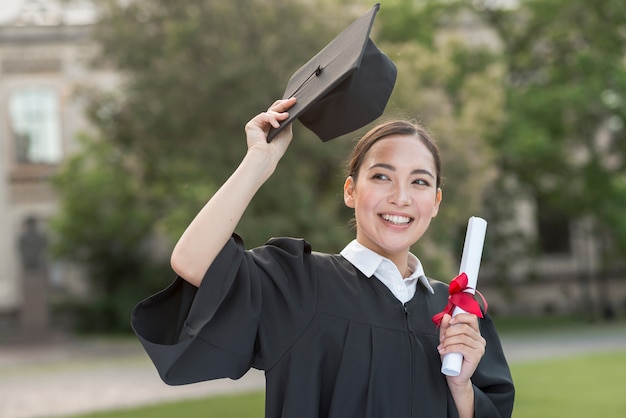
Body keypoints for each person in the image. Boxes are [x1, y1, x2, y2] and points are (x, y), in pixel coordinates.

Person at [132, 98, 515, 418]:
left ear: (435, 203)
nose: (401, 197)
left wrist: (461, 386)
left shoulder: (456, 314)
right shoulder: (298, 283)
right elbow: (193, 261)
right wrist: (259, 161)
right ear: (351, 190)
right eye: (382, 177)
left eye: (419, 181)